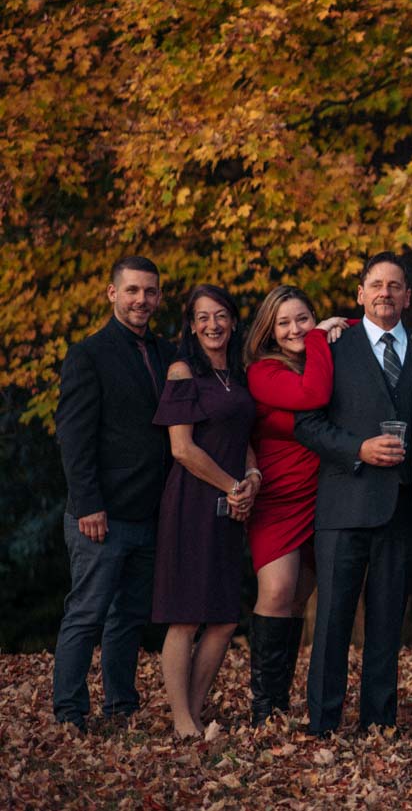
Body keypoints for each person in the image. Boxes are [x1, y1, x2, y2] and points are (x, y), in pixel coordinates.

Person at [295, 252, 412, 735]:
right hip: (346, 503)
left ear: (408, 296)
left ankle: (379, 723)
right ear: (360, 293)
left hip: (406, 508)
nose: (385, 293)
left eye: (395, 286)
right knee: (334, 621)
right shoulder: (333, 347)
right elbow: (307, 425)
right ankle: (324, 722)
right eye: (375, 285)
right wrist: (357, 447)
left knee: (386, 625)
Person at [53, 255, 175, 732]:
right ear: (112, 294)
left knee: (129, 617)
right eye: (132, 291)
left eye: (149, 292)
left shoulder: (166, 355)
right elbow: (75, 437)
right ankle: (69, 712)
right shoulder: (89, 354)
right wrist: (88, 504)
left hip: (149, 511)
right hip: (101, 513)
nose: (141, 300)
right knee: (87, 613)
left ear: (159, 297)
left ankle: (120, 706)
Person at [152, 284, 259, 736]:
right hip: (192, 503)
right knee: (186, 614)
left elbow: (245, 439)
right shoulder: (183, 371)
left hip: (231, 504)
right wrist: (233, 485)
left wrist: (253, 480)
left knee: (224, 617)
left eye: (220, 316)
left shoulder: (239, 374)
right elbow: (182, 449)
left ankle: (194, 712)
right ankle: (181, 721)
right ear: (191, 326)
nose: (212, 325)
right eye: (202, 317)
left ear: (233, 322)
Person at [243, 285, 347, 723]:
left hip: (324, 496)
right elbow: (312, 397)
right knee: (277, 591)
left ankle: (284, 699)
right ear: (269, 330)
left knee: (300, 600)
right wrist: (322, 336)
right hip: (280, 497)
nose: (294, 329)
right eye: (283, 322)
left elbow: (371, 332)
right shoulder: (264, 371)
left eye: (303, 319)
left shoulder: (327, 355)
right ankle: (265, 706)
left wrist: (345, 325)